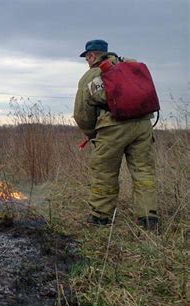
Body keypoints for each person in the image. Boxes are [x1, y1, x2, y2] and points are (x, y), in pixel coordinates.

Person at [73, 39, 158, 230]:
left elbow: (81, 113)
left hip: (113, 128)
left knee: (105, 173)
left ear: (92, 56)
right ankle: (149, 218)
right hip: (143, 125)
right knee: (144, 172)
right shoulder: (129, 66)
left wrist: (91, 133)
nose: (87, 61)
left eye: (87, 57)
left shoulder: (91, 76)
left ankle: (100, 218)